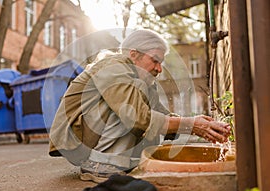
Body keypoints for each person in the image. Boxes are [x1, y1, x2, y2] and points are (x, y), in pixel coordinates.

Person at [49, 29, 230, 182]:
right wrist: (192, 124)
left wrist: (197, 126)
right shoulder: (112, 66)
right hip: (75, 139)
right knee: (137, 110)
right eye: (155, 60)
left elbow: (160, 114)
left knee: (147, 108)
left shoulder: (140, 80)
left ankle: (115, 160)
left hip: (88, 136)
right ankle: (100, 164)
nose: (159, 69)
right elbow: (138, 117)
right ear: (134, 54)